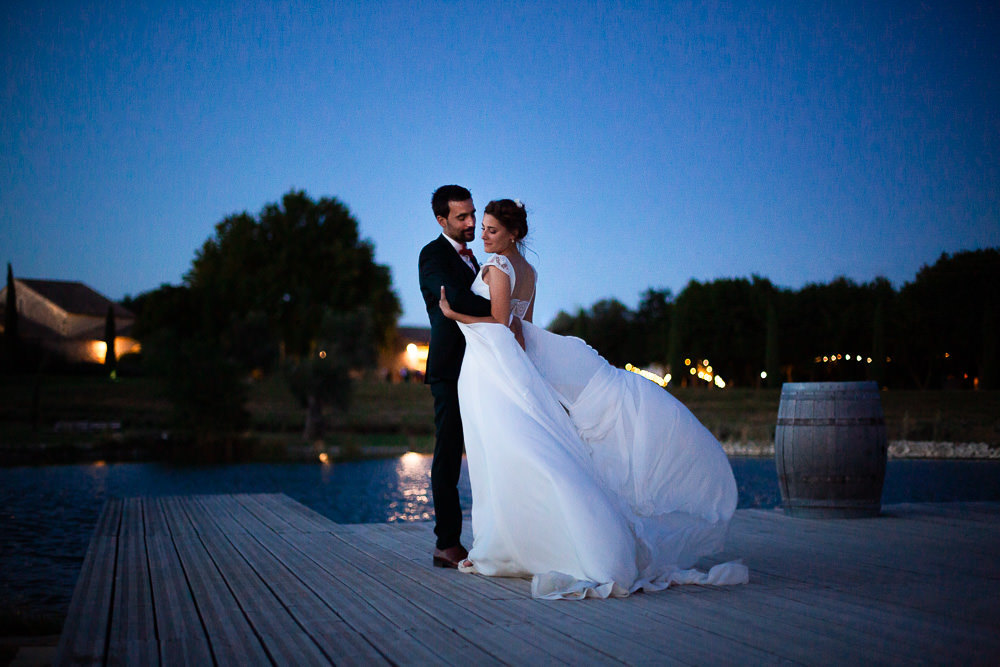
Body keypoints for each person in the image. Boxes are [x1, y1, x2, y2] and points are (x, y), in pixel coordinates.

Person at [438, 198, 748, 599]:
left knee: (504, 453)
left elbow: (500, 323)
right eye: (483, 228)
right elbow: (523, 328)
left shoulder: (498, 266)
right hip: (511, 364)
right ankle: (529, 539)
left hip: (493, 368)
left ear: (513, 234)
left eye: (492, 230)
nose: (484, 235)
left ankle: (532, 544)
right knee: (520, 451)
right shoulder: (529, 271)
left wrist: (455, 316)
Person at [418, 185, 492, 568]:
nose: (471, 222)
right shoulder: (432, 255)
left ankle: (495, 535)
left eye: (472, 214)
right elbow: (455, 297)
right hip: (450, 369)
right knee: (448, 454)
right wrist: (500, 308)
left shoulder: (474, 258)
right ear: (441, 219)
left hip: (483, 367)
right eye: (461, 217)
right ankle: (446, 544)